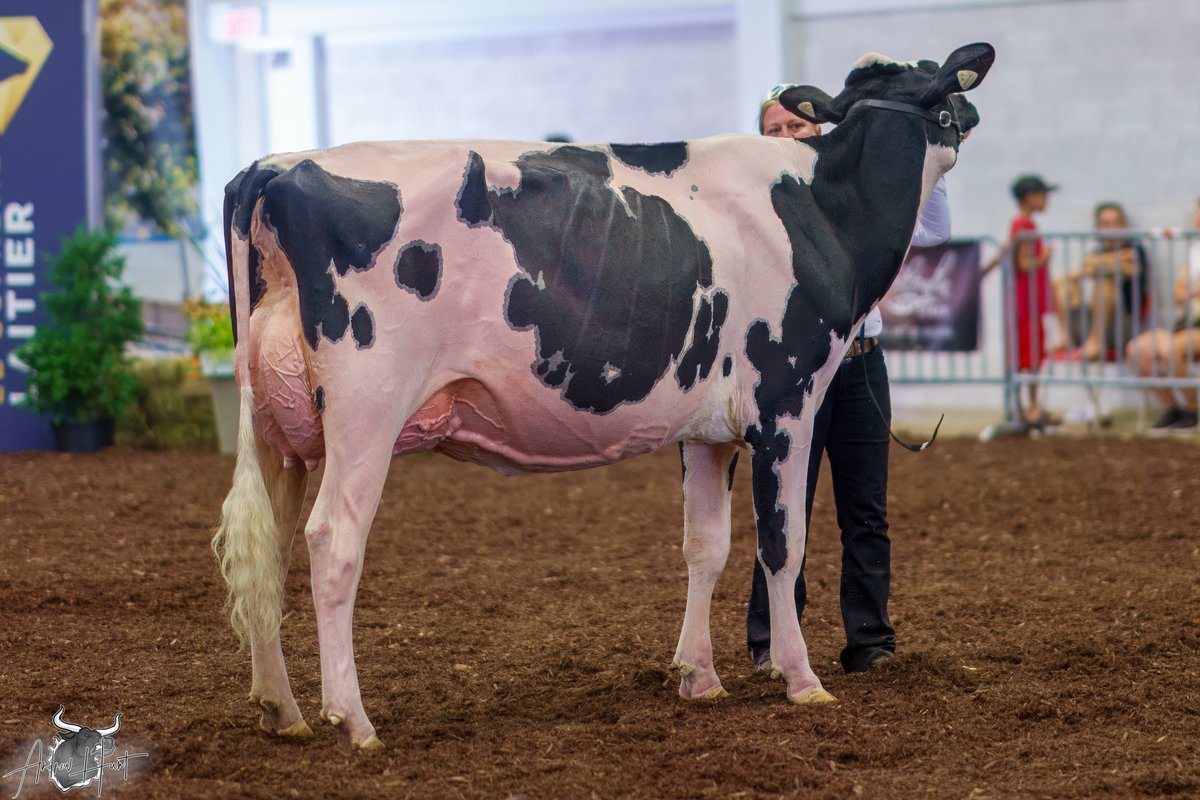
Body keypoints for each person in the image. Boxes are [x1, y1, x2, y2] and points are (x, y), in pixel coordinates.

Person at [745, 84, 960, 674]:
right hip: (793, 370)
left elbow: (934, 230)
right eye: (775, 130)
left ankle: (871, 643)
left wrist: (931, 157)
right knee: (785, 505)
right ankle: (768, 640)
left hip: (861, 361)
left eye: (796, 126)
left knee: (866, 510)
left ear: (821, 128)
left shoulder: (861, 193)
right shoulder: (759, 203)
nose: (788, 138)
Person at [1125, 197, 1200, 432]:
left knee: (1171, 350)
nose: (1196, 217)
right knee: (1136, 350)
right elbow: (1178, 293)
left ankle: (1192, 409)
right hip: (1187, 322)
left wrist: (1191, 290)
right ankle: (1172, 408)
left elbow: (1185, 291)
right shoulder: (1195, 248)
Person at [1052, 202, 1148, 360]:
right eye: (1105, 224)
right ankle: (1065, 336)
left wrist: (1098, 265)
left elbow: (1129, 269)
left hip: (1123, 324)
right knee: (1062, 281)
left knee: (1105, 281)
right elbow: (1079, 272)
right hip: (1091, 321)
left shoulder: (1136, 249)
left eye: (1116, 223)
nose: (1111, 229)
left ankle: (1097, 342)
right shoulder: (1097, 252)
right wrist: (1116, 259)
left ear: (1124, 226)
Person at [1008, 174, 1056, 424]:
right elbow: (1023, 264)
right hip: (1026, 303)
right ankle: (1030, 408)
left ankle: (1030, 406)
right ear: (1030, 198)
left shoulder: (1024, 225)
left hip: (1028, 302)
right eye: (1043, 195)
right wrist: (1044, 259)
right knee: (1029, 356)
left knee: (1030, 355)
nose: (1046, 200)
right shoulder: (1023, 225)